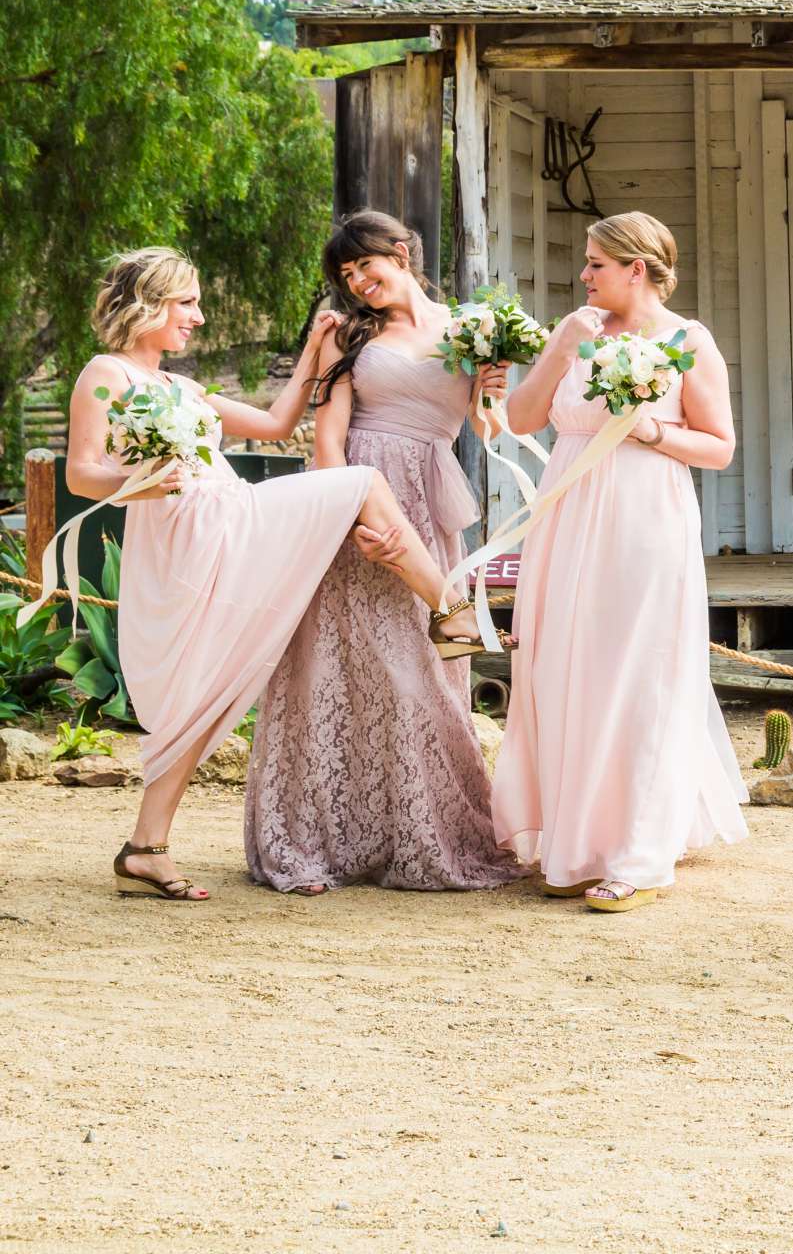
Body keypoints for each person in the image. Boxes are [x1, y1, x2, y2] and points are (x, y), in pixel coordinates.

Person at [63, 247, 480, 903]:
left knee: (216, 686)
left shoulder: (180, 387)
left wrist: (318, 350)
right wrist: (141, 479)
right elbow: (81, 474)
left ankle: (145, 848)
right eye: (187, 304)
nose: (197, 318)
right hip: (194, 533)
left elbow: (278, 422)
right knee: (364, 480)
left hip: (232, 517)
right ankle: (450, 608)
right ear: (148, 304)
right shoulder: (105, 375)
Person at [245, 212, 523, 896]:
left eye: (366, 266)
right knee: (340, 667)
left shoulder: (470, 329)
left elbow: (485, 426)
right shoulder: (349, 334)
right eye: (346, 277)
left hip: (425, 504)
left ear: (401, 254)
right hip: (359, 498)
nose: (359, 284)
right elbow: (328, 434)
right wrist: (339, 515)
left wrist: (493, 389)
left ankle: (420, 837)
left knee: (419, 673)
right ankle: (320, 844)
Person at [489, 212, 746, 913]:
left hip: (644, 516)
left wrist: (653, 427)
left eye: (597, 263)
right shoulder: (576, 332)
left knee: (637, 673)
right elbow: (519, 418)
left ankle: (638, 851)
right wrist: (559, 347)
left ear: (637, 269)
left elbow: (719, 446)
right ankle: (573, 844)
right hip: (567, 515)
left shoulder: (688, 341)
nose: (584, 274)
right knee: (565, 667)